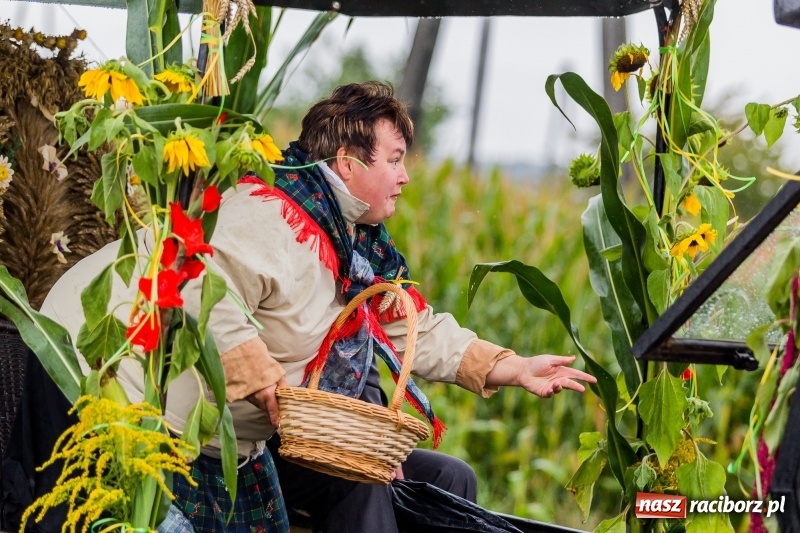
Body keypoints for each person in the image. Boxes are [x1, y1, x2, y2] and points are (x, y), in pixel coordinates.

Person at [40, 81, 596, 533]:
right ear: (349, 162)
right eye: (395, 160)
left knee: (448, 480)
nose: (405, 177)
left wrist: (514, 368)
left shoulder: (353, 243)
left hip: (258, 437)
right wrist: (267, 387)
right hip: (145, 419)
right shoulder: (267, 213)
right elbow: (200, 288)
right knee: (361, 477)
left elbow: (412, 329)